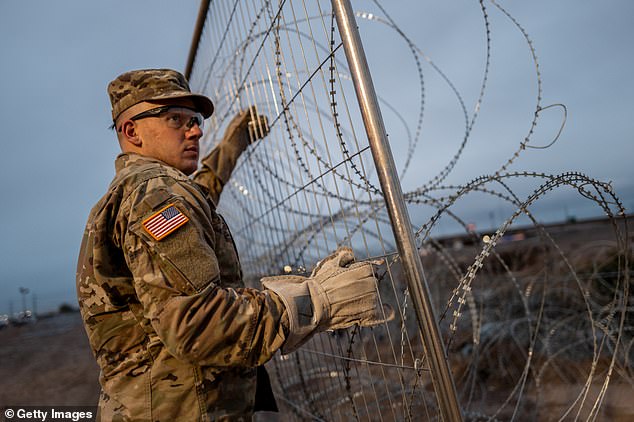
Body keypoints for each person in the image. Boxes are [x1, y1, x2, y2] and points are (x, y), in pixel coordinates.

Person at [76, 68, 389, 421]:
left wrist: (231, 146)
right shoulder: (157, 193)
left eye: (194, 119)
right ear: (131, 131)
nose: (195, 130)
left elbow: (197, 204)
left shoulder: (130, 194)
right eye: (175, 118)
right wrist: (313, 302)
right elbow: (197, 323)